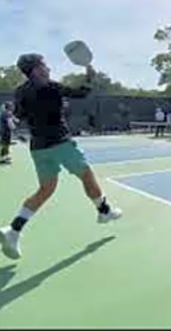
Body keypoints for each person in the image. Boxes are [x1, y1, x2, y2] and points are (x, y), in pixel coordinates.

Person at [0, 53, 122, 260]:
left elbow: (19, 116)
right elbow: (81, 93)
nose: (48, 69)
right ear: (36, 70)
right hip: (61, 144)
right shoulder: (51, 87)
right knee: (86, 174)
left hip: (38, 148)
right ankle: (104, 211)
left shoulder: (20, 92)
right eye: (44, 66)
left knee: (45, 189)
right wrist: (90, 76)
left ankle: (13, 230)